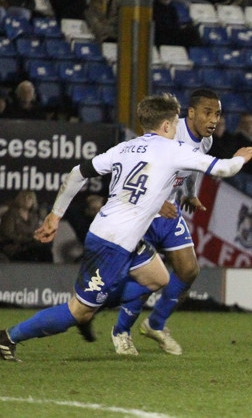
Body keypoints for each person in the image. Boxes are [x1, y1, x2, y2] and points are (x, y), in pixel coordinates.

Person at [0, 93, 252, 361]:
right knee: (78, 312)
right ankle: (8, 337)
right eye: (174, 123)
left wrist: (55, 216)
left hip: (113, 228)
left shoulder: (125, 147)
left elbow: (77, 173)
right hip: (112, 241)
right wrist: (241, 157)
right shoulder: (173, 149)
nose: (177, 127)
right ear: (166, 125)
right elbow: (225, 169)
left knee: (158, 278)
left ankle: (100, 306)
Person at [83, 88, 224, 355]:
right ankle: (118, 330)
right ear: (191, 113)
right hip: (145, 212)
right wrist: (158, 203)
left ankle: (155, 324)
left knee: (188, 270)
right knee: (146, 279)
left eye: (217, 113)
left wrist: (190, 194)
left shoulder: (205, 141)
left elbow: (194, 166)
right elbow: (135, 170)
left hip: (170, 215)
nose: (213, 119)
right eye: (208, 112)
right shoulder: (169, 130)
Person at [0, 190, 54, 262]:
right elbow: (8, 234)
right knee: (37, 252)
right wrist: (27, 239)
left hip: (30, 246)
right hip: (13, 247)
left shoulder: (34, 217)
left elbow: (37, 232)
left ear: (33, 201)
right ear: (18, 199)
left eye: (29, 198)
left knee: (46, 251)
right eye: (24, 197)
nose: (26, 200)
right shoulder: (10, 214)